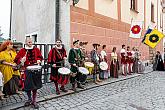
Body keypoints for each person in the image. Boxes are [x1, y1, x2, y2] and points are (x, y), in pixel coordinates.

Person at [14, 37, 43, 109]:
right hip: (27, 70)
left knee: (35, 86)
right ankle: (29, 99)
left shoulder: (36, 49)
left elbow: (40, 57)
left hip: (35, 70)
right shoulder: (22, 50)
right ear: (26, 42)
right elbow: (16, 60)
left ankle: (34, 101)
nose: (30, 43)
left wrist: (39, 60)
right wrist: (21, 60)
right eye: (29, 42)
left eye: (31, 42)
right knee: (28, 86)